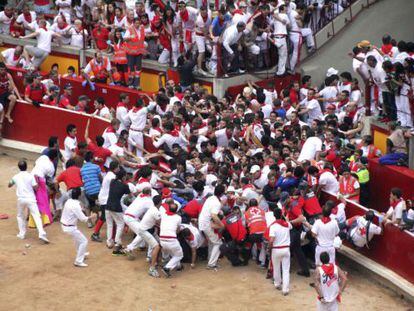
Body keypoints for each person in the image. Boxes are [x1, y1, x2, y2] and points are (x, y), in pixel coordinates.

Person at [8, 160, 49, 243]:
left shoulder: (16, 177)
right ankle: (41, 233)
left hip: (21, 199)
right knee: (37, 216)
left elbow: (9, 184)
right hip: (31, 199)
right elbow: (36, 188)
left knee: (20, 216)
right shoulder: (30, 176)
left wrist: (13, 182)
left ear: (19, 167)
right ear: (26, 167)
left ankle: (22, 234)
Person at [60, 187, 96, 268]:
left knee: (77, 239)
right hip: (70, 227)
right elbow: (83, 219)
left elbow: (77, 209)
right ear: (79, 195)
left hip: (65, 225)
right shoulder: (76, 205)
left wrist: (81, 208)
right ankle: (78, 261)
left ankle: (81, 253)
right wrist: (91, 216)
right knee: (84, 241)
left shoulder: (69, 201)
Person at [198, 184, 225, 269]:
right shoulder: (216, 202)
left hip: (202, 221)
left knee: (211, 242)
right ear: (222, 193)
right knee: (218, 243)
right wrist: (221, 225)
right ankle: (211, 264)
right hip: (206, 223)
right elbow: (214, 215)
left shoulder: (211, 198)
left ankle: (210, 259)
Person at [106, 169, 131, 255]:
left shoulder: (112, 181)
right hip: (116, 207)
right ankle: (117, 243)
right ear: (123, 176)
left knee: (110, 224)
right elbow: (130, 195)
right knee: (120, 224)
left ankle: (109, 242)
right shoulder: (125, 186)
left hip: (107, 205)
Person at [268, 207, 292, 295]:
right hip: (286, 249)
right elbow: (289, 224)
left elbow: (271, 240)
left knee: (276, 268)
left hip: (276, 249)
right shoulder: (287, 224)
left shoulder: (273, 226)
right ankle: (285, 289)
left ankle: (277, 284)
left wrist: (269, 247)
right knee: (286, 270)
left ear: (274, 216)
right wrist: (285, 218)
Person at [138, 195, 163, 278]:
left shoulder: (153, 208)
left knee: (159, 242)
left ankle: (155, 261)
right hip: (145, 231)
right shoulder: (156, 211)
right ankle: (152, 269)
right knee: (156, 247)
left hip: (147, 230)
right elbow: (160, 223)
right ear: (160, 202)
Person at [31, 149, 57, 226]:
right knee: (43, 199)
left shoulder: (42, 157)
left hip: (31, 177)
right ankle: (44, 219)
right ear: (55, 158)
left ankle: (29, 217)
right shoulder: (52, 167)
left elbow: (34, 164)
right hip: (39, 180)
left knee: (32, 198)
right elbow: (49, 180)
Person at [310, 202, 340, 266]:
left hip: (320, 247)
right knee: (331, 267)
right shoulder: (334, 222)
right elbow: (337, 234)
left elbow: (313, 234)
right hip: (330, 247)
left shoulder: (318, 222)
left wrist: (317, 237)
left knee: (319, 267)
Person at [160, 202, 183, 277]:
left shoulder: (163, 216)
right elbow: (178, 229)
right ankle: (167, 268)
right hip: (171, 240)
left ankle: (178, 266)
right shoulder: (178, 217)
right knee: (179, 255)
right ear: (176, 210)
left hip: (162, 239)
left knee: (174, 253)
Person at [124, 17, 147, 90]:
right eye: (136, 23)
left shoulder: (142, 28)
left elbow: (142, 39)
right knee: (131, 69)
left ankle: (137, 84)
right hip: (130, 52)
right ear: (133, 23)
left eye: (138, 23)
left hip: (139, 52)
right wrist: (130, 37)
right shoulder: (129, 29)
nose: (137, 24)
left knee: (138, 69)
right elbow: (124, 38)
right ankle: (131, 83)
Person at [0, 62, 21, 127]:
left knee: (13, 98)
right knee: (2, 110)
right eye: (1, 69)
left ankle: (8, 114)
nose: (3, 71)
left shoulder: (8, 75)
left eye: (4, 69)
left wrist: (19, 97)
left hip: (5, 92)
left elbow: (14, 86)